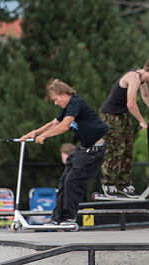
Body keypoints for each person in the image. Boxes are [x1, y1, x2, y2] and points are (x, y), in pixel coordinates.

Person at [20, 79, 110, 226]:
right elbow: (54, 122)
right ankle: (56, 218)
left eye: (56, 99)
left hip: (97, 150)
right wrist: (35, 132)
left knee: (73, 180)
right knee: (63, 180)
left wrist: (45, 136)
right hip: (84, 149)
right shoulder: (68, 107)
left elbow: (64, 126)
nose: (55, 103)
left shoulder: (76, 102)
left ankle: (69, 217)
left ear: (63, 94)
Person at [100, 57, 149, 198]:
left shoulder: (142, 79)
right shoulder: (133, 77)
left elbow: (146, 95)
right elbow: (131, 104)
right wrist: (142, 121)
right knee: (116, 148)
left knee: (128, 148)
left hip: (122, 115)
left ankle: (124, 184)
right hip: (110, 115)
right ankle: (108, 183)